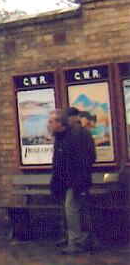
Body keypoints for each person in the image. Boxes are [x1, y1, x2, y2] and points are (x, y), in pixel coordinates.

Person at [49, 107, 96, 254]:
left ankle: (76, 241)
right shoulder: (61, 137)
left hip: (76, 180)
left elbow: (84, 158)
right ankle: (76, 238)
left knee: (72, 209)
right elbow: (59, 160)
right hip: (66, 180)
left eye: (51, 121)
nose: (49, 125)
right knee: (72, 209)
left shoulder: (78, 135)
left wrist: (79, 178)